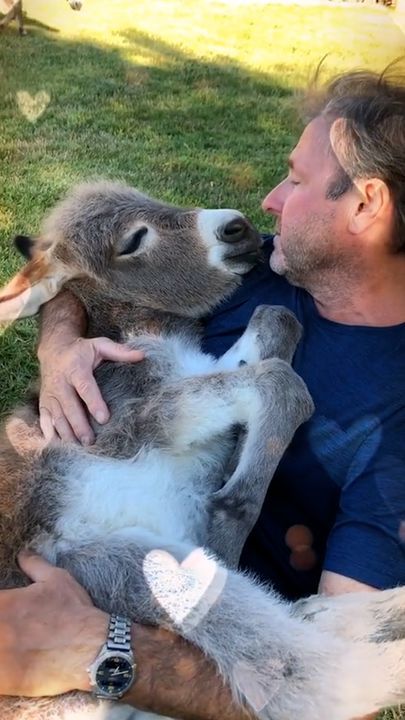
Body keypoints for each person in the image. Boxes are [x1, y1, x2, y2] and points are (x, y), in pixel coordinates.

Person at [1, 66, 405, 716]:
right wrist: (60, 347)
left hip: (162, 609)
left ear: (365, 204)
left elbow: (333, 683)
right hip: (57, 532)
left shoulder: (393, 418)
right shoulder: (269, 266)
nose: (269, 200)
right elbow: (88, 268)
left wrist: (91, 646)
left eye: (296, 180)